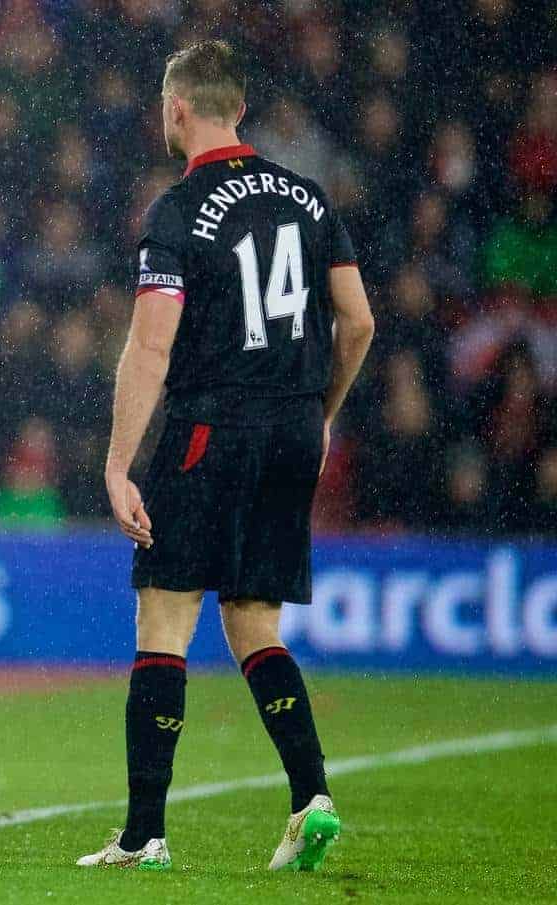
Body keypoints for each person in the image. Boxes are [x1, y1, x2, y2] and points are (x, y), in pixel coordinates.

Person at [78, 42, 374, 872]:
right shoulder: (310, 198)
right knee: (254, 620)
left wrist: (116, 463)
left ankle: (143, 834)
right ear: (238, 108)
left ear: (177, 110)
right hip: (290, 429)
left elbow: (150, 346)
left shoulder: (175, 209)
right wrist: (321, 411)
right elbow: (359, 321)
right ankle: (311, 793)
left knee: (164, 620)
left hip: (212, 424)